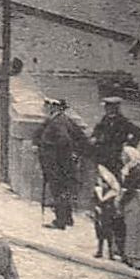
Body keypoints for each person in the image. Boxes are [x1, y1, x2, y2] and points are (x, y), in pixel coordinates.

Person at [33, 98, 88, 230]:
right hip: (63, 164)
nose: (46, 108)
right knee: (63, 191)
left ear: (55, 108)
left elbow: (65, 141)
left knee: (58, 191)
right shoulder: (61, 119)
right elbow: (80, 137)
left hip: (57, 165)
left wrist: (59, 157)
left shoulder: (57, 122)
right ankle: (67, 218)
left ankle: (60, 221)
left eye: (48, 106)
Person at [89, 96, 140, 175]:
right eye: (106, 107)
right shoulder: (105, 119)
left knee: (115, 172)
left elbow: (138, 132)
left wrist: (130, 145)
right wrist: (94, 137)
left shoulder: (123, 121)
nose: (107, 109)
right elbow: (98, 130)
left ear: (115, 108)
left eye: (109, 107)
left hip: (116, 152)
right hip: (103, 150)